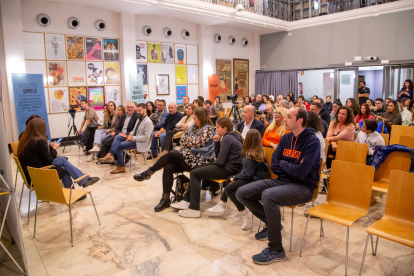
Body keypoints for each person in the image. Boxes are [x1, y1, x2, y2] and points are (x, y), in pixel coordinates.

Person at [236, 107, 320, 265]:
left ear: (299, 121)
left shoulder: (312, 141)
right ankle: (272, 223)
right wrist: (289, 165)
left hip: (303, 187)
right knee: (242, 193)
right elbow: (275, 165)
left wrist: (285, 163)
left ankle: (276, 249)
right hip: (282, 180)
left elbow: (302, 173)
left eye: (288, 117)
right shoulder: (286, 138)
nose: (284, 119)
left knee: (269, 195)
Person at [133, 107, 215, 212]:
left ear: (201, 117)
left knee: (172, 153)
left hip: (202, 160)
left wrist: (189, 140)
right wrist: (191, 141)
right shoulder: (193, 127)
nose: (193, 116)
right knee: (168, 166)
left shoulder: (209, 129)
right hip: (190, 156)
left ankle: (149, 172)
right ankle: (165, 198)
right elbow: (182, 140)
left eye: (195, 115)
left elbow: (199, 143)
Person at [170, 117, 243, 218]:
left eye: (217, 127)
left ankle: (194, 208)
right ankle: (187, 201)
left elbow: (220, 160)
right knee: (195, 169)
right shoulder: (230, 136)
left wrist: (214, 162)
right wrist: (217, 142)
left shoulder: (227, 138)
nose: (216, 129)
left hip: (228, 169)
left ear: (225, 128)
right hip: (227, 166)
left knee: (195, 173)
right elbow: (218, 156)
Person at [18, 118, 99, 195]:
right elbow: (48, 160)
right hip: (39, 174)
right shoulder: (39, 141)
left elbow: (39, 156)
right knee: (64, 166)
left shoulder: (25, 140)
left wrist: (49, 148)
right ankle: (76, 188)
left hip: (31, 175)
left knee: (63, 162)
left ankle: (81, 183)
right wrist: (54, 149)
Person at [207, 129, 268, 228]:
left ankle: (244, 212)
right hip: (257, 179)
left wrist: (236, 178)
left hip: (253, 181)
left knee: (229, 188)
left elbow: (247, 174)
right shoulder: (260, 151)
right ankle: (222, 204)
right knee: (229, 178)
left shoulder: (250, 154)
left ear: (247, 140)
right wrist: (235, 177)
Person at [105, 103, 153, 174]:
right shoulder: (139, 119)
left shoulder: (148, 122)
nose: (138, 112)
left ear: (145, 110)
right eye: (137, 111)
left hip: (140, 142)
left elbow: (146, 138)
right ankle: (111, 154)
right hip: (134, 138)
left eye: (140, 110)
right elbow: (133, 130)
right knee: (118, 136)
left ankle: (120, 166)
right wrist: (130, 135)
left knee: (119, 145)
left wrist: (132, 137)